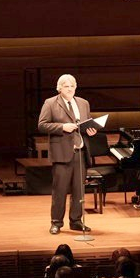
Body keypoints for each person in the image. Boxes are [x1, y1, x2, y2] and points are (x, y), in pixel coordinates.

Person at [38, 74, 97, 234]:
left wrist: (90, 130)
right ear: (59, 88)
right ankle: (56, 222)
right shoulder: (50, 103)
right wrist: (62, 127)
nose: (70, 89)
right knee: (60, 190)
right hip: (62, 153)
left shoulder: (83, 103)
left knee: (79, 190)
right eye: (66, 86)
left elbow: (85, 125)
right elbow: (42, 125)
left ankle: (76, 221)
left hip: (80, 152)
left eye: (72, 86)